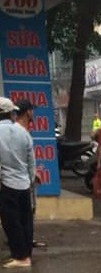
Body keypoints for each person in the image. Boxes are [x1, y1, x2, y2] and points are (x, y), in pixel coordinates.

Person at [0, 97, 35, 268]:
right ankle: (26, 253)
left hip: (7, 184)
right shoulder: (23, 132)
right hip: (24, 184)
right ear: (11, 113)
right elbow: (31, 162)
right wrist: (31, 180)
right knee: (25, 220)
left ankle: (21, 257)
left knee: (11, 221)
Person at [13, 100, 47, 249]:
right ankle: (23, 243)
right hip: (23, 180)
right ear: (28, 112)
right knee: (25, 212)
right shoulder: (21, 132)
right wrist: (33, 176)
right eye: (32, 110)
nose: (33, 113)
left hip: (21, 178)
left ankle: (26, 239)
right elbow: (26, 160)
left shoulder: (16, 131)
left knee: (26, 212)